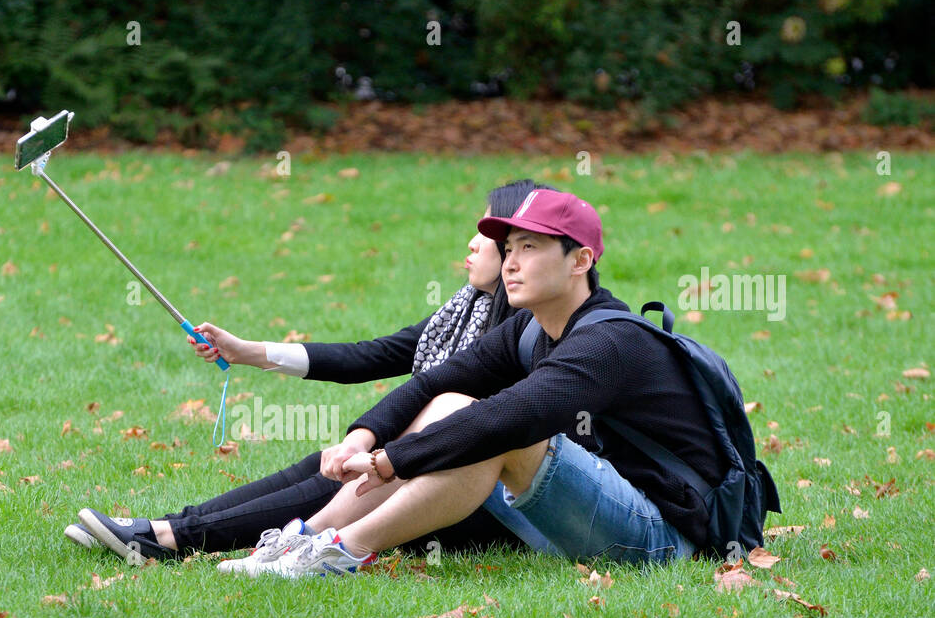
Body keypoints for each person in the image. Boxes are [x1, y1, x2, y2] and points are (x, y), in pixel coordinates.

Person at [232, 188, 727, 577]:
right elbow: (432, 383)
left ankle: (345, 552)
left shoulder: (609, 343)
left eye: (530, 248)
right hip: (579, 516)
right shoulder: (531, 326)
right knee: (451, 400)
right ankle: (306, 538)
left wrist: (391, 460)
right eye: (508, 248)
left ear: (580, 261)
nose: (510, 262)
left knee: (498, 431)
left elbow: (511, 418)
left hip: (659, 537)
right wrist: (362, 436)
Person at [72, 179, 561, 569]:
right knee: (321, 465)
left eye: (492, 238)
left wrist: (370, 451)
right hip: (425, 476)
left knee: (344, 477)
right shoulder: (466, 310)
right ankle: (166, 528)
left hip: (466, 506)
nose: (472, 245)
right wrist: (250, 352)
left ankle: (169, 539)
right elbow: (369, 356)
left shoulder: (525, 331)